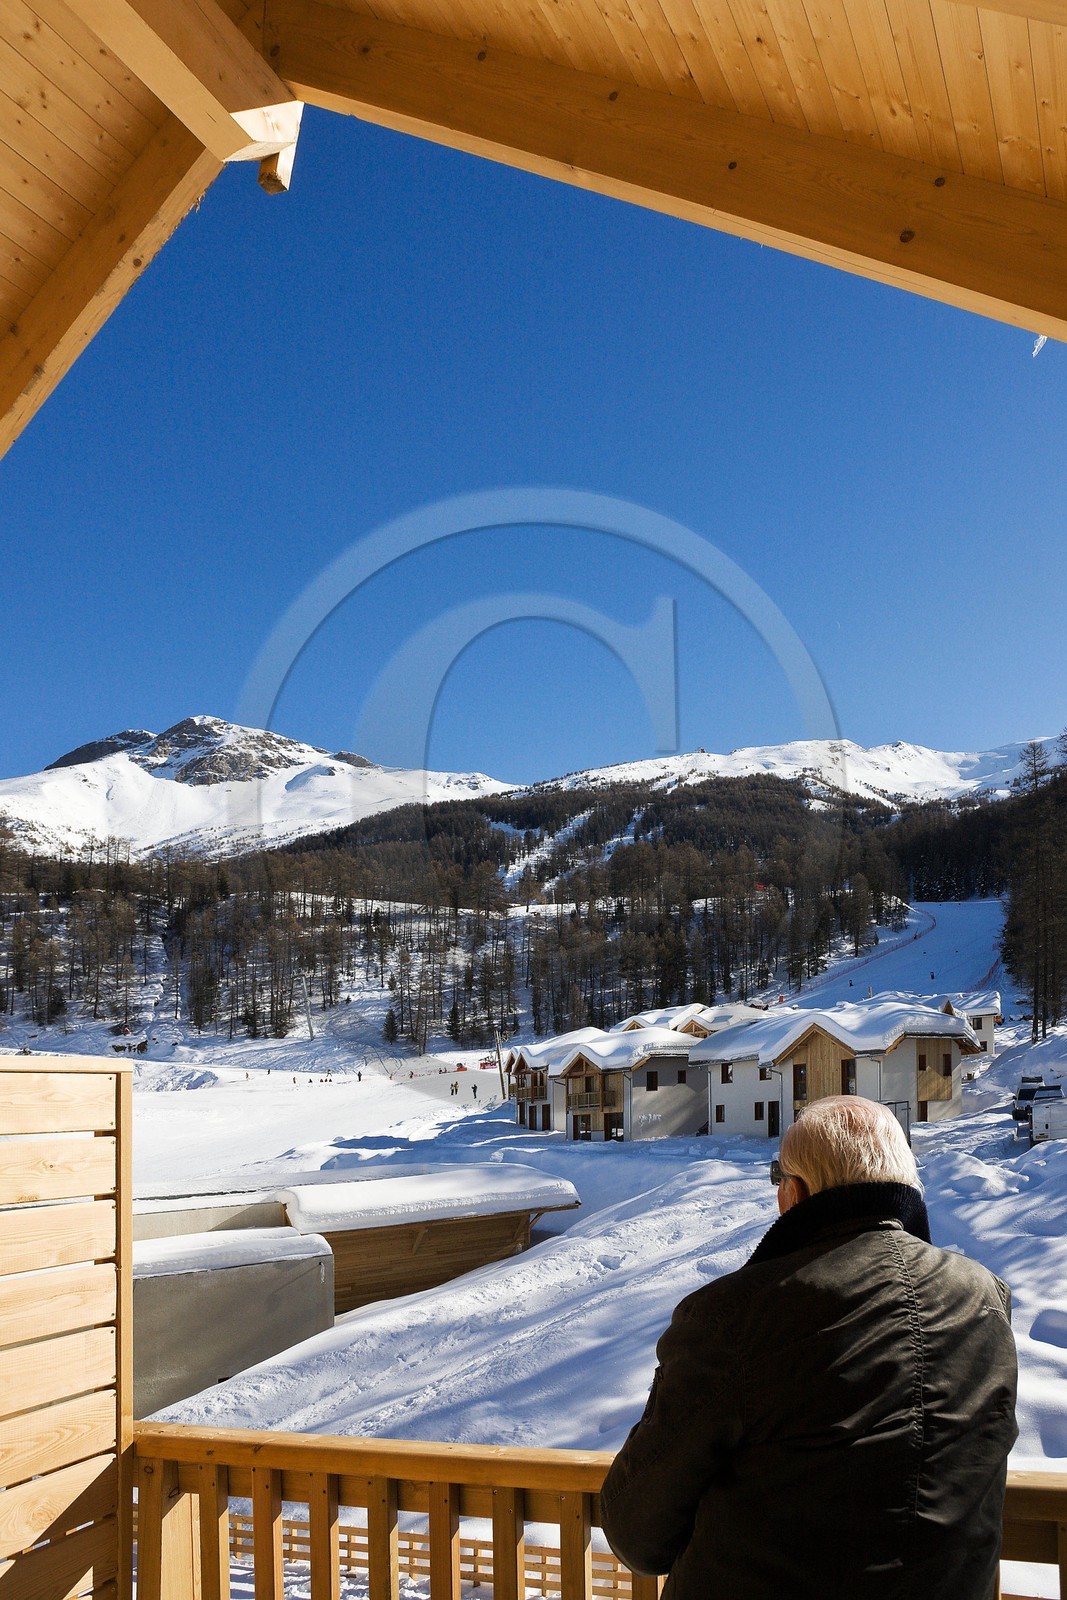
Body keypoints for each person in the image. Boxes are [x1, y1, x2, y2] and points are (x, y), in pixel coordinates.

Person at [600, 1096, 1017, 1600]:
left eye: (778, 1181)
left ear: (792, 1196)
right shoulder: (985, 1298)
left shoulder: (734, 1318)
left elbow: (637, 1533)